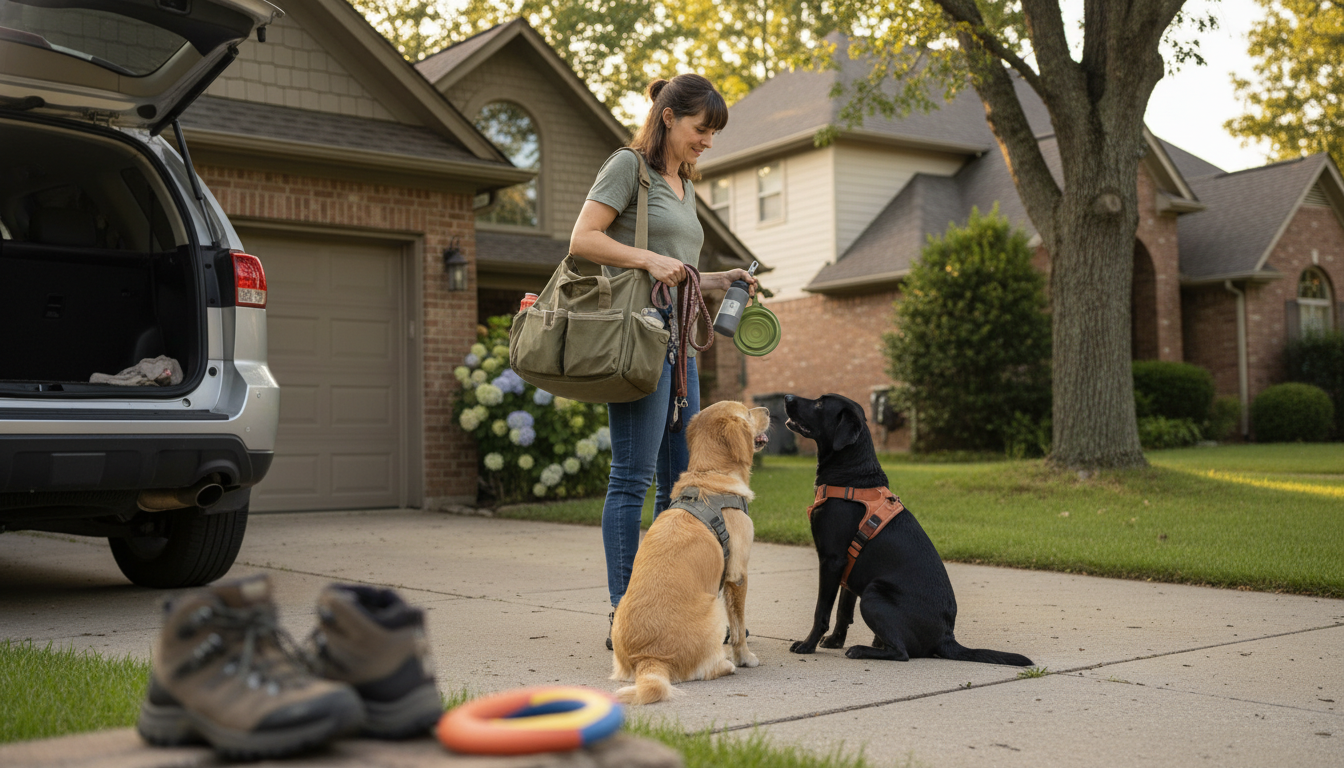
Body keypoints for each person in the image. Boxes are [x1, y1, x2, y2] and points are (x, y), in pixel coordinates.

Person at [569, 74, 757, 646]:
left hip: (681, 353)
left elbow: (681, 267)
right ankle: (624, 612)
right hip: (639, 345)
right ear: (669, 117)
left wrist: (721, 279)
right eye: (702, 129)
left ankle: (679, 604)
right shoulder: (630, 166)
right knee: (631, 480)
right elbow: (583, 238)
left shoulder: (683, 183)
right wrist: (649, 260)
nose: (707, 141)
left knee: (685, 484)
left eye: (713, 134)